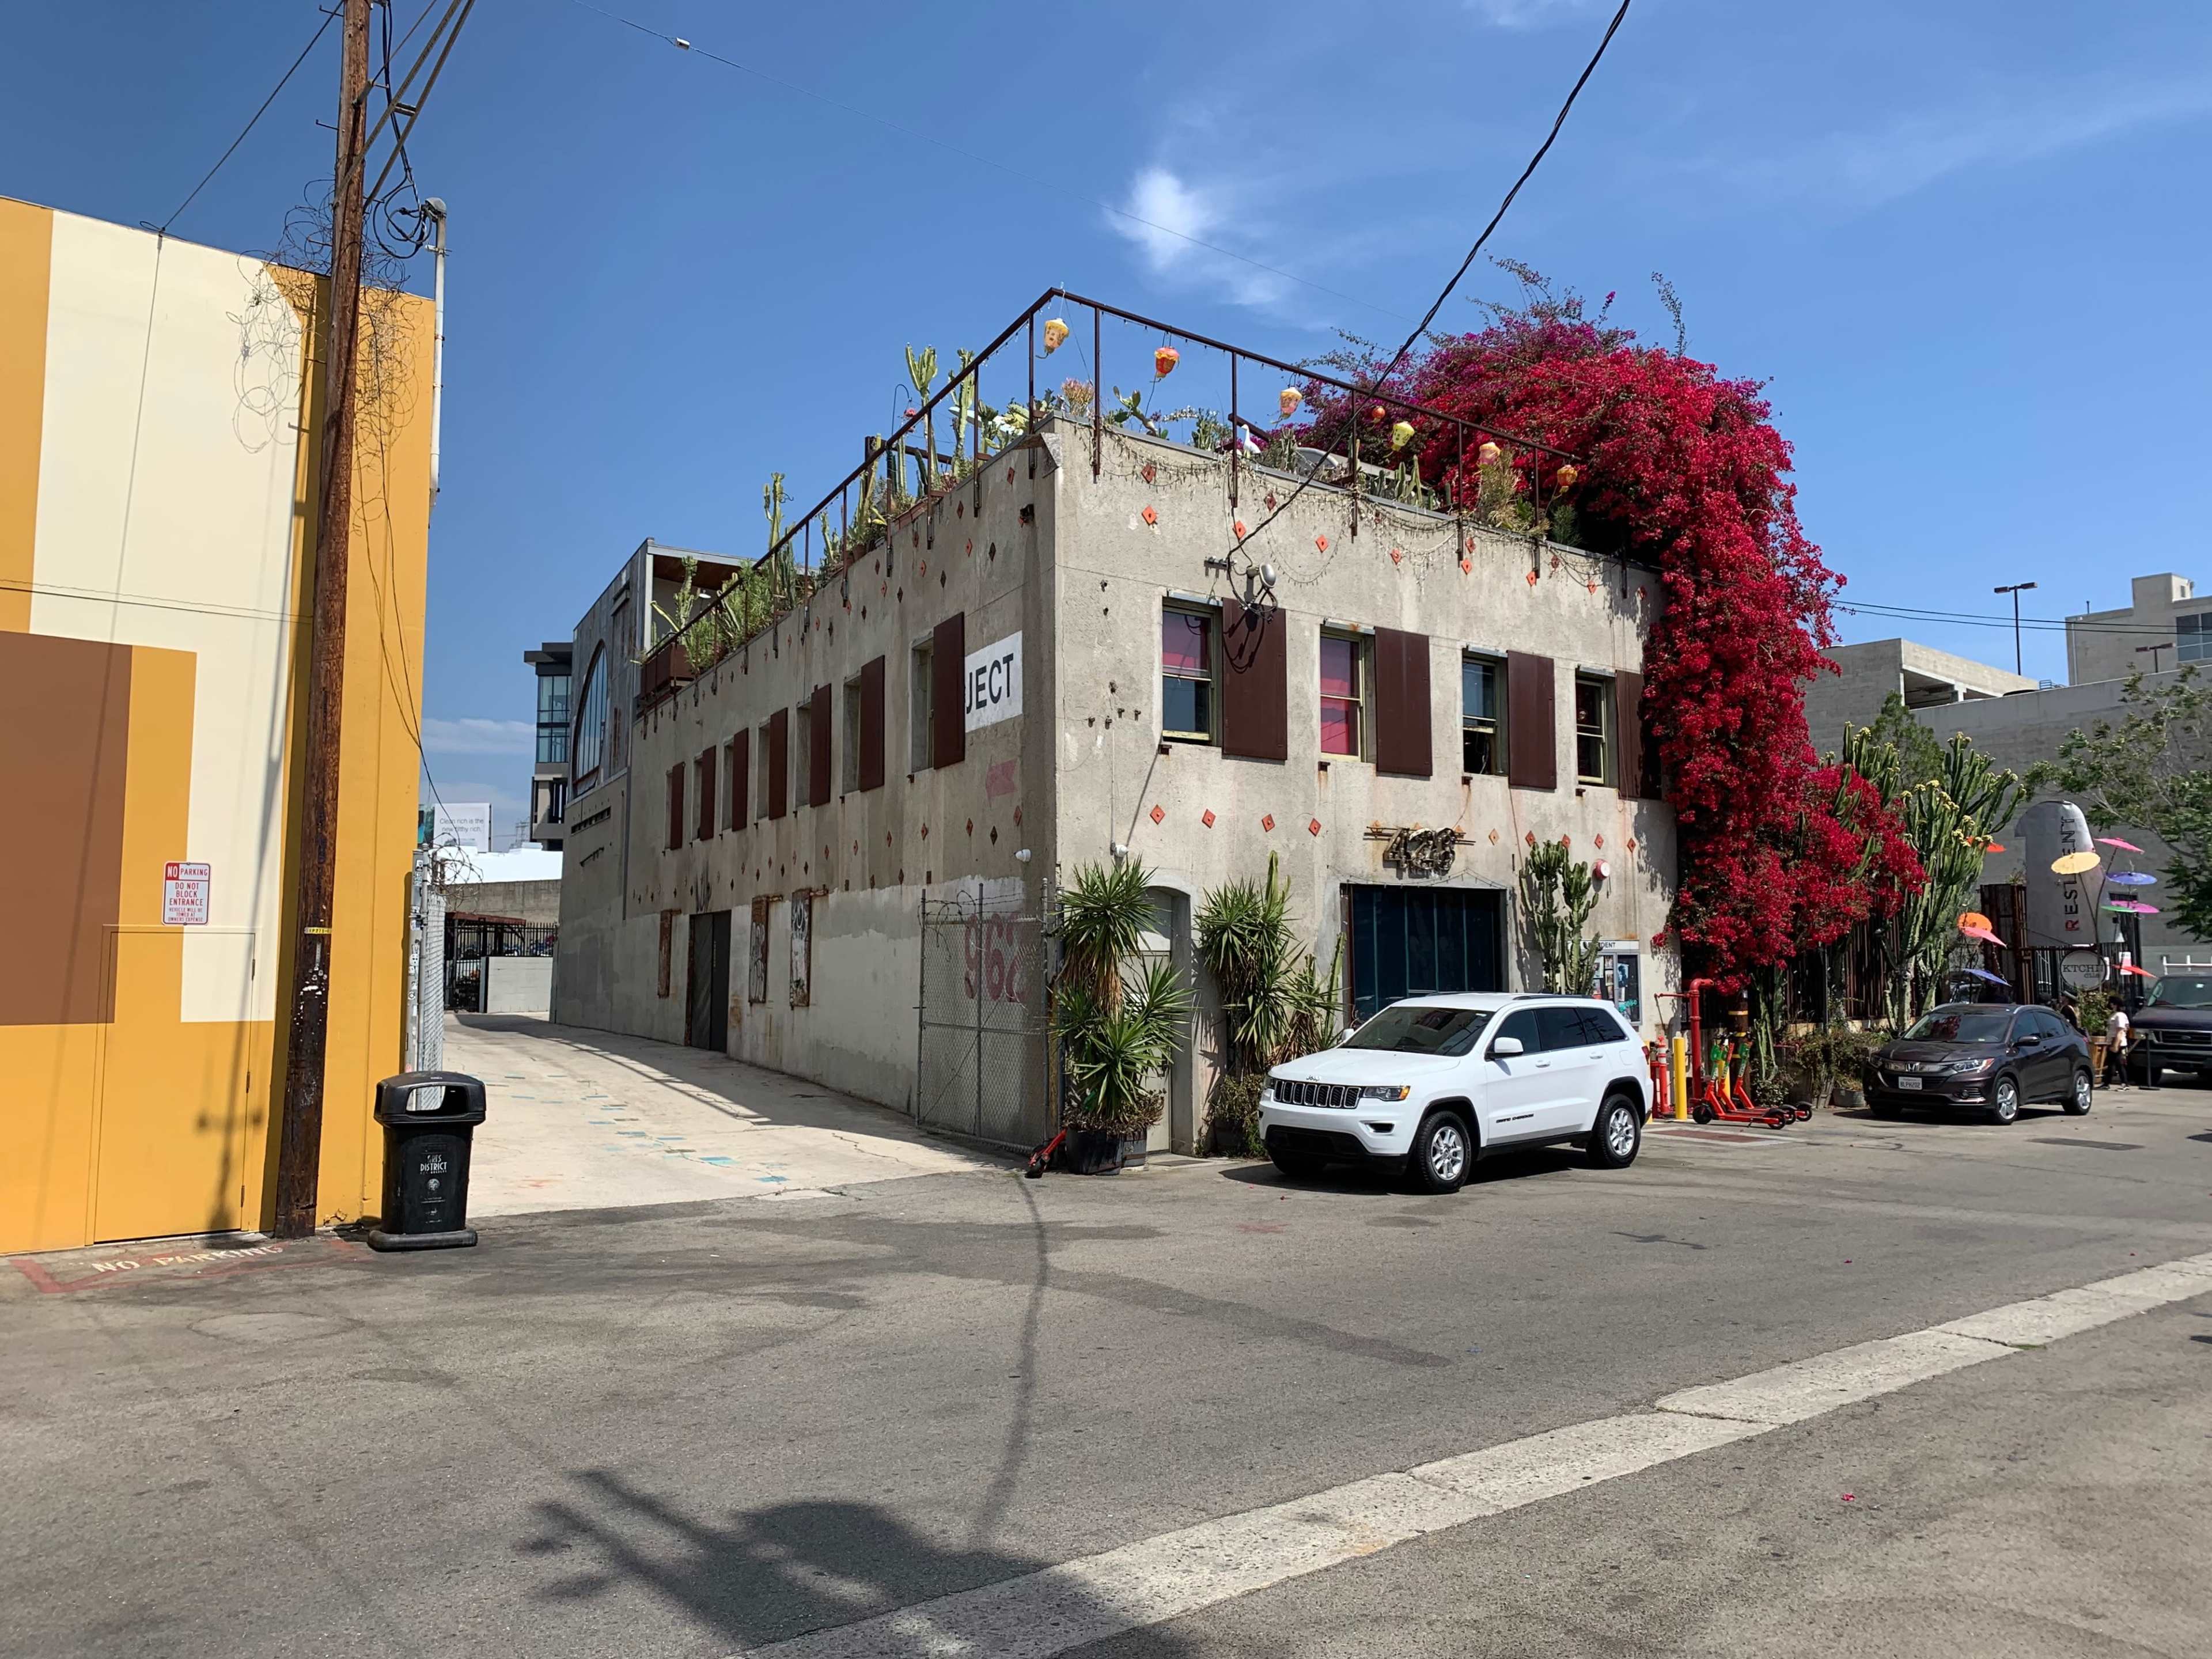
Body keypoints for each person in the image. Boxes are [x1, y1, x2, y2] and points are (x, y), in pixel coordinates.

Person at [2104, 1003, 2131, 1089]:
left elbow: (2120, 1030)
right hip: (2112, 1040)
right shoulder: (2115, 1015)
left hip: (2117, 1042)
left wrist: (2115, 1044)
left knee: (2118, 1064)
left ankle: (2124, 1083)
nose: (2111, 1005)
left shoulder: (2120, 1016)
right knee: (2112, 1063)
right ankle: (2107, 1083)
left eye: (2112, 1003)